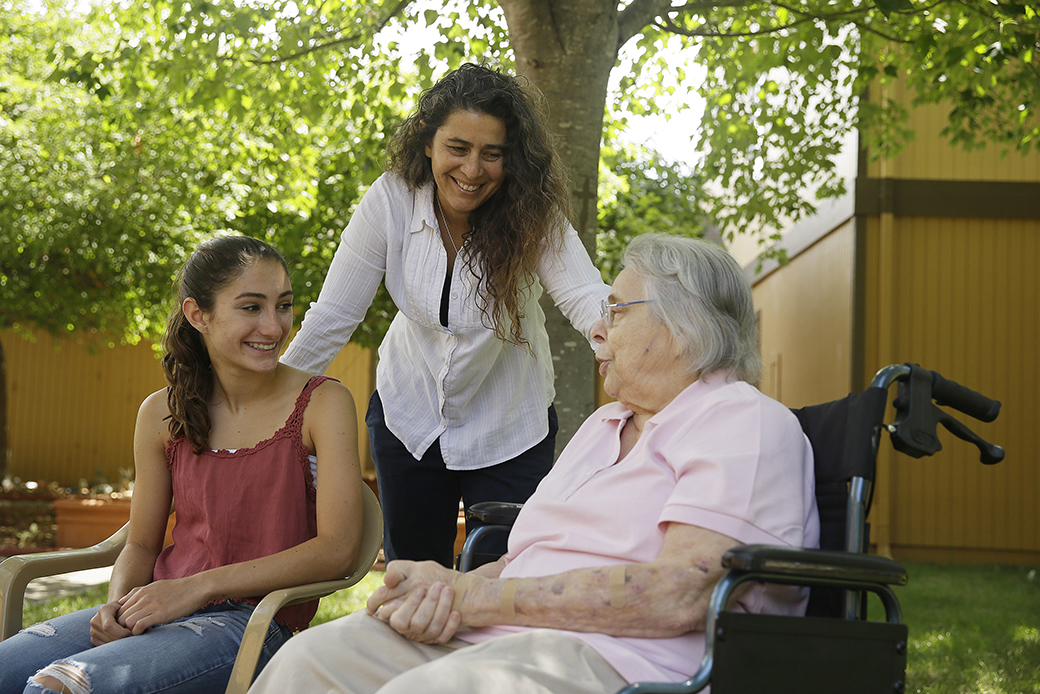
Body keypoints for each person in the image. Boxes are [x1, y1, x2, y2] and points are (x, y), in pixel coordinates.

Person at [247, 233, 821, 694]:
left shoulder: (741, 422)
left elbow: (680, 593)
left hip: (622, 659)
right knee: (312, 664)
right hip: (498, 634)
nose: (598, 327)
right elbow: (528, 558)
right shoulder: (605, 427)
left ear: (683, 324)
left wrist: (472, 599)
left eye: (617, 311)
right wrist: (445, 589)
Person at [0, 236, 365, 694]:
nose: (274, 327)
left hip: (257, 625)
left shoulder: (323, 402)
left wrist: (197, 588)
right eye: (251, 307)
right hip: (159, 605)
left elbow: (338, 549)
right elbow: (140, 544)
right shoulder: (161, 412)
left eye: (284, 305)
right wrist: (116, 611)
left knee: (56, 689)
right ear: (199, 316)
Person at [280, 62, 609, 567]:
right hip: (407, 420)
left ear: (511, 157)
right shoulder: (391, 199)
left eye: (492, 154)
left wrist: (639, 349)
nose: (473, 170)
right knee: (413, 579)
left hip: (510, 429)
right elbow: (332, 317)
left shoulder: (532, 210)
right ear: (427, 141)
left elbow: (586, 296)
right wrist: (269, 409)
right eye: (458, 148)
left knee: (501, 586)